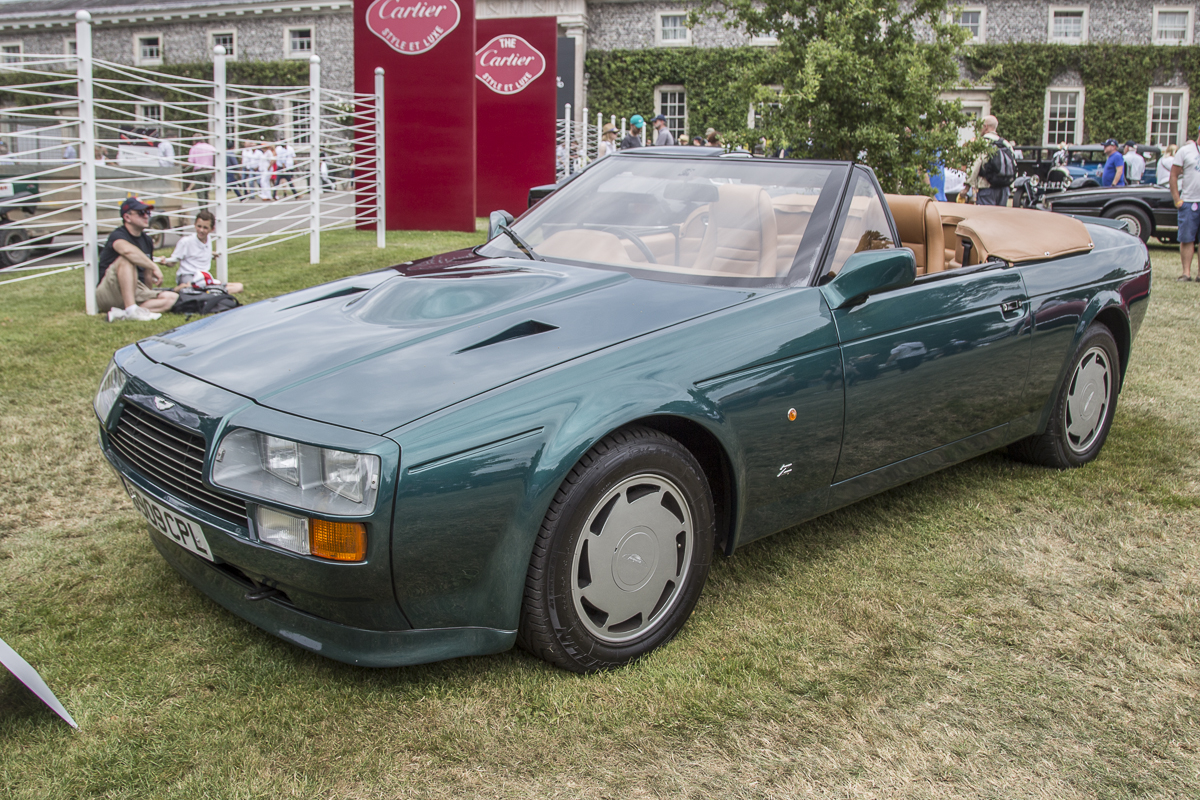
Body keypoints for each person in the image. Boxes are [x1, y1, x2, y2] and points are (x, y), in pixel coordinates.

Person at [96, 197, 178, 321]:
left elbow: (146, 273)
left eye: (147, 212)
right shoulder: (118, 235)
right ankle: (131, 309)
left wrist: (148, 291)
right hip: (111, 290)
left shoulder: (147, 240)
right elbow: (127, 251)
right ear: (127, 217)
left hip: (135, 289)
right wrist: (153, 266)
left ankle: (124, 314)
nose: (146, 216)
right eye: (141, 213)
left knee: (172, 298)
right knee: (127, 259)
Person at [161, 209, 243, 295]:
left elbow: (199, 251)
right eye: (199, 226)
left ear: (212, 229)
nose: (201, 230)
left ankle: (210, 291)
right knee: (192, 289)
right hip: (188, 276)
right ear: (195, 225)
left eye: (205, 228)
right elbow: (173, 261)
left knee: (239, 286)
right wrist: (165, 261)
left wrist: (210, 254)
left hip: (203, 277)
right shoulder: (186, 241)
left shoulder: (208, 240)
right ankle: (179, 290)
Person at [1170, 128, 1200, 281]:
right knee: (1187, 238)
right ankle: (1186, 273)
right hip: (1189, 200)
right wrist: (1177, 199)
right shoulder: (1185, 151)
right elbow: (1173, 175)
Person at [967, 115, 1014, 206]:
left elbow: (975, 165)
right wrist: (1011, 186)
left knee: (986, 214)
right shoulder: (1006, 144)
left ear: (985, 127)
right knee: (1000, 214)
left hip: (986, 187)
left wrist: (967, 186)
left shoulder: (982, 143)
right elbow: (1013, 165)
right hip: (1004, 189)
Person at [186, 138, 216, 202]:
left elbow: (191, 161)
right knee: (206, 191)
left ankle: (202, 207)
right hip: (209, 170)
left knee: (200, 191)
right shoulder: (210, 147)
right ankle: (206, 206)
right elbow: (216, 156)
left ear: (195, 141)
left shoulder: (194, 148)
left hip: (199, 170)